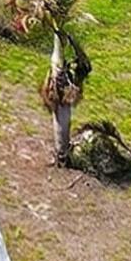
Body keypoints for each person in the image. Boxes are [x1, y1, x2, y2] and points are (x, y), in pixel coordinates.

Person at [42, 36, 84, 166]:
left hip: (64, 78)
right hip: (60, 76)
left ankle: (62, 152)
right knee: (60, 109)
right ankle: (61, 152)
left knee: (63, 110)